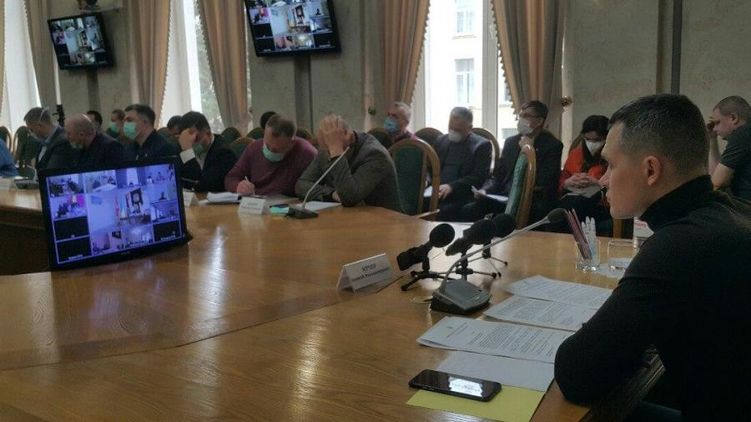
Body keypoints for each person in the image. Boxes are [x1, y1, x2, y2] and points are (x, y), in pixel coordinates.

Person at [554, 94, 751, 421]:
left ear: (650, 170)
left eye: (612, 165)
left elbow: (577, 375)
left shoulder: (680, 244)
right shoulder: (733, 212)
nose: (603, 180)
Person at [461, 100, 563, 222]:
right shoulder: (511, 142)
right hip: (504, 195)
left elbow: (545, 179)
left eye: (526, 116)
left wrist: (530, 152)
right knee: (468, 210)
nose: (521, 119)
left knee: (501, 220)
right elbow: (498, 175)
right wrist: (485, 190)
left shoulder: (552, 145)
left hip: (531, 199)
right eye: (520, 115)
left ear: (540, 121)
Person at [295, 114, 402, 212]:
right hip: (351, 216)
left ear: (350, 138)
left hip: (384, 221)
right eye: (326, 149)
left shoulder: (375, 154)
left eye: (330, 149)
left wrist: (336, 150)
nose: (328, 155)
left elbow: (349, 197)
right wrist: (331, 194)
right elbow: (302, 185)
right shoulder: (327, 148)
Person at [225, 114, 316, 196]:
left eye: (276, 150)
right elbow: (231, 177)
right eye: (267, 146)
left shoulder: (307, 153)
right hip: (256, 202)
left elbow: (315, 188)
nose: (270, 151)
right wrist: (238, 186)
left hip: (289, 204)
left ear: (292, 143)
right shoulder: (254, 147)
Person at [429, 107, 492, 221]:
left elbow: (479, 176)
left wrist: (452, 187)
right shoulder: (441, 141)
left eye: (458, 130)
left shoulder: (482, 146)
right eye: (450, 128)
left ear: (469, 128)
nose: (453, 132)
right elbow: (429, 168)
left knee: (445, 211)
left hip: (462, 193)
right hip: (436, 191)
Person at [556, 115, 610, 230]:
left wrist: (597, 183)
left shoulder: (613, 157)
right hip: (573, 198)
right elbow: (563, 178)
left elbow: (620, 186)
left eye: (597, 140)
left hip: (601, 205)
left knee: (575, 206)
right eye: (587, 139)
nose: (591, 144)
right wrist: (567, 182)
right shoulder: (576, 153)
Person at [177, 111, 237, 192]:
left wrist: (187, 151)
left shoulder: (224, 153)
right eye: (188, 139)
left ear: (208, 133)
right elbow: (181, 180)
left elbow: (203, 185)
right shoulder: (182, 149)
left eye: (196, 138)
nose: (191, 144)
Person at [707, 95, 751, 200]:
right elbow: (716, 176)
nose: (715, 129)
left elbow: (717, 182)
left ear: (733, 118)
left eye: (717, 123)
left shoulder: (742, 134)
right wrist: (712, 138)